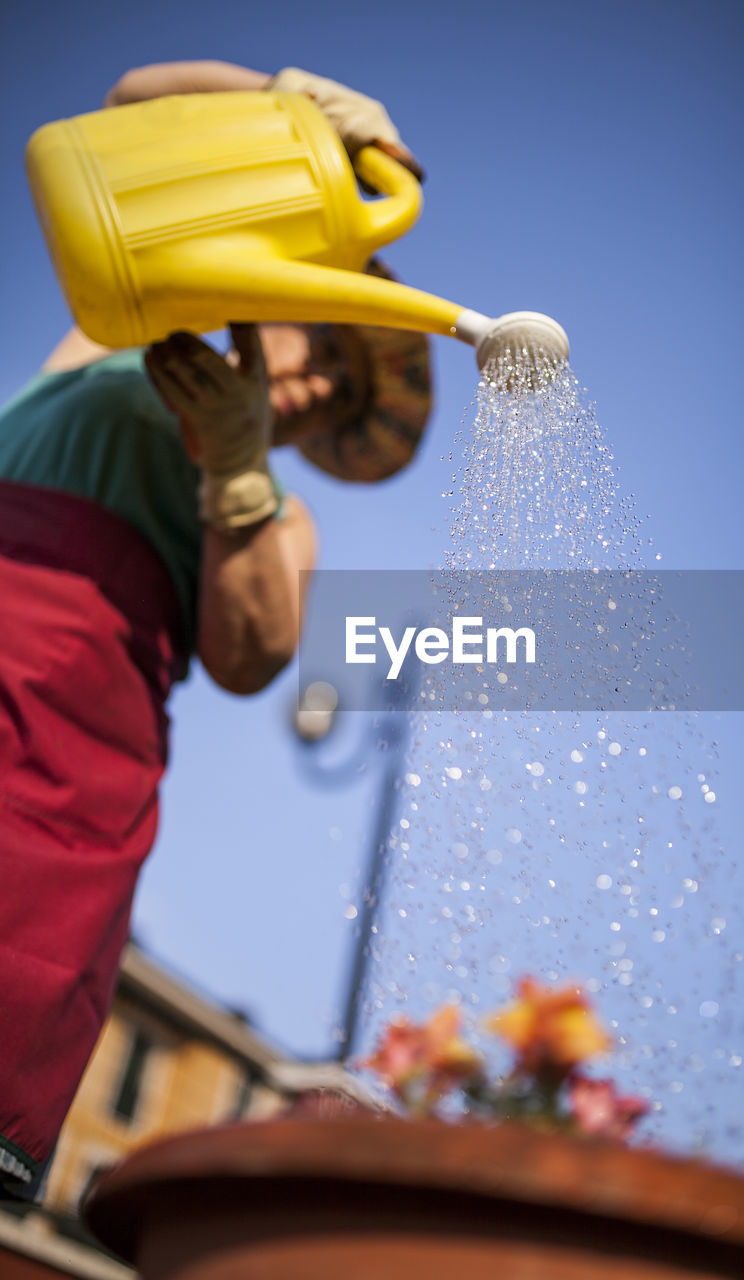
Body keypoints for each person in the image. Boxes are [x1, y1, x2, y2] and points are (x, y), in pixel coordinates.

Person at [0, 61, 431, 1202]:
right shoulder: (130, 330)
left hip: (59, 788)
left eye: (337, 394)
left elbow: (250, 659)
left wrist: (236, 473)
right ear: (284, 299)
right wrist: (296, 113)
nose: (311, 387)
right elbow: (130, 107)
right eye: (320, 349)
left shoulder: (287, 522)